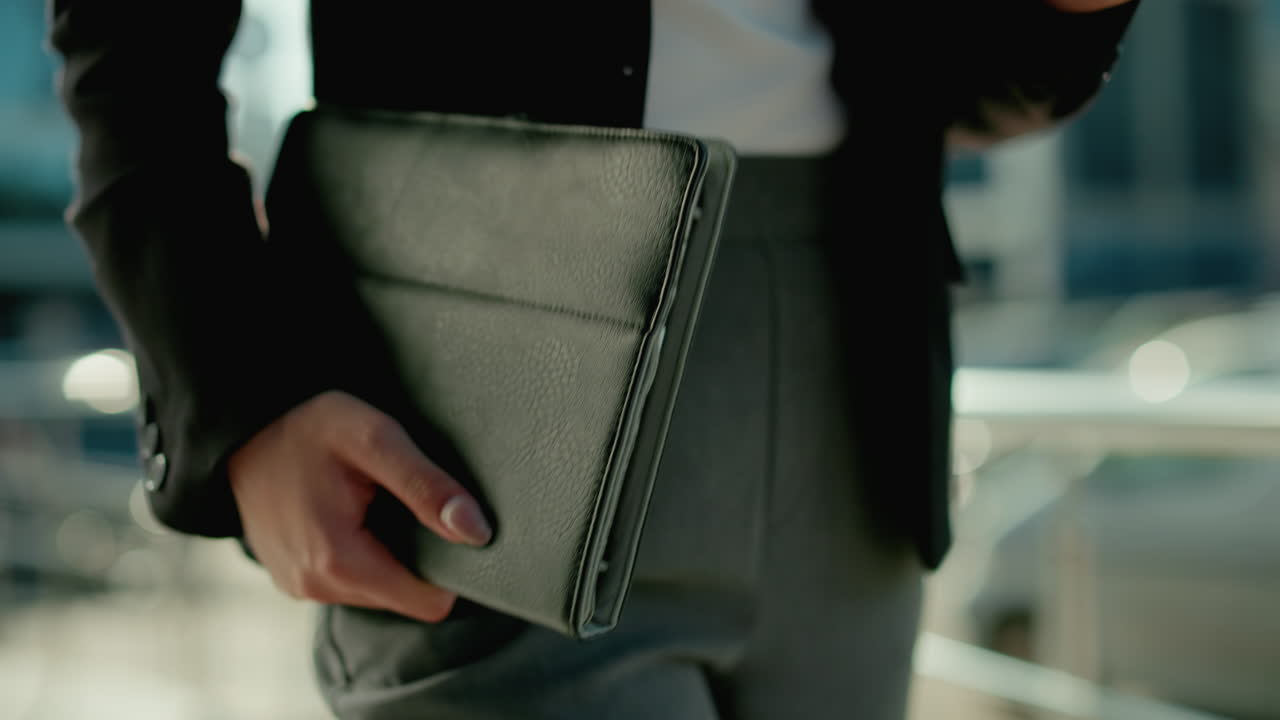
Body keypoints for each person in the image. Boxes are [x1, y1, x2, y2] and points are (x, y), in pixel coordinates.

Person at [48, 1, 1141, 718]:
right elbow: (128, 39)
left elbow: (965, 76)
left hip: (849, 366)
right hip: (489, 383)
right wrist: (240, 399)